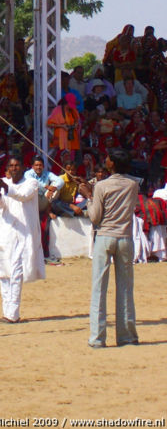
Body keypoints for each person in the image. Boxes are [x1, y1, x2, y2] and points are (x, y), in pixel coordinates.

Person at [85, 148, 139, 348]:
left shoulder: (101, 186)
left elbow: (95, 217)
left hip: (105, 237)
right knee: (125, 288)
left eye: (108, 158)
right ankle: (127, 336)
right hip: (125, 238)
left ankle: (98, 338)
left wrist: (89, 197)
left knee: (99, 288)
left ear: (112, 164)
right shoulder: (133, 185)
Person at [0, 155, 45, 324]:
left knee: (16, 272)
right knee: (3, 272)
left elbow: (22, 195)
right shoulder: (4, 183)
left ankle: (13, 313)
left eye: (17, 165)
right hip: (6, 233)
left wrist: (6, 189)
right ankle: (6, 310)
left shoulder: (31, 183)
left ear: (23, 167)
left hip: (23, 234)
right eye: (11, 166)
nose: (14, 168)